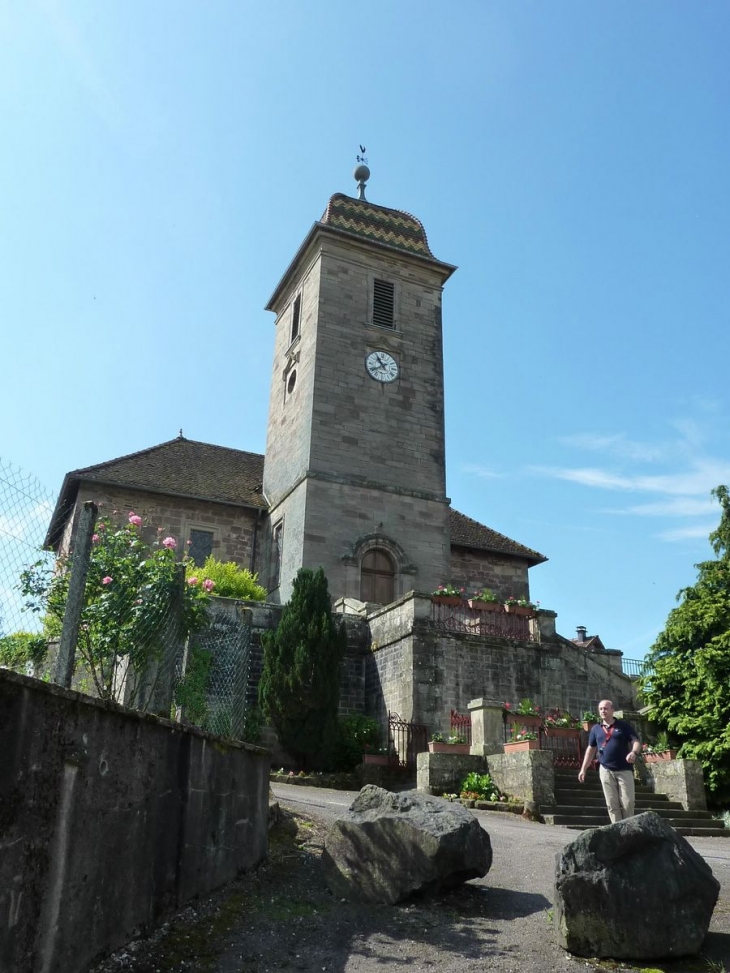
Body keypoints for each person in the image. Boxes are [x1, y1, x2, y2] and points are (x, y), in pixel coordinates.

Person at [578, 699, 641, 823]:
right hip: (606, 769)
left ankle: (629, 830)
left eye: (606, 708)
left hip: (624, 769)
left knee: (628, 803)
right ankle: (617, 832)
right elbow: (591, 749)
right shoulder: (596, 729)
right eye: (601, 709)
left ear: (612, 710)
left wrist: (633, 753)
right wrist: (583, 769)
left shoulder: (623, 726)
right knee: (612, 804)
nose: (603, 711)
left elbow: (636, 742)